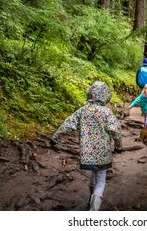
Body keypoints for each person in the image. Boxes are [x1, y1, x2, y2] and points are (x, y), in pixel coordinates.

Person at [50, 81, 122, 211]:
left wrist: (55, 138)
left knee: (94, 175)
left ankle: (91, 199)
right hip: (103, 153)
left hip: (87, 154)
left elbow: (67, 124)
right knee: (100, 180)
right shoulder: (107, 112)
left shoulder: (82, 111)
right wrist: (118, 146)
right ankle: (93, 210)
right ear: (106, 96)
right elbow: (116, 131)